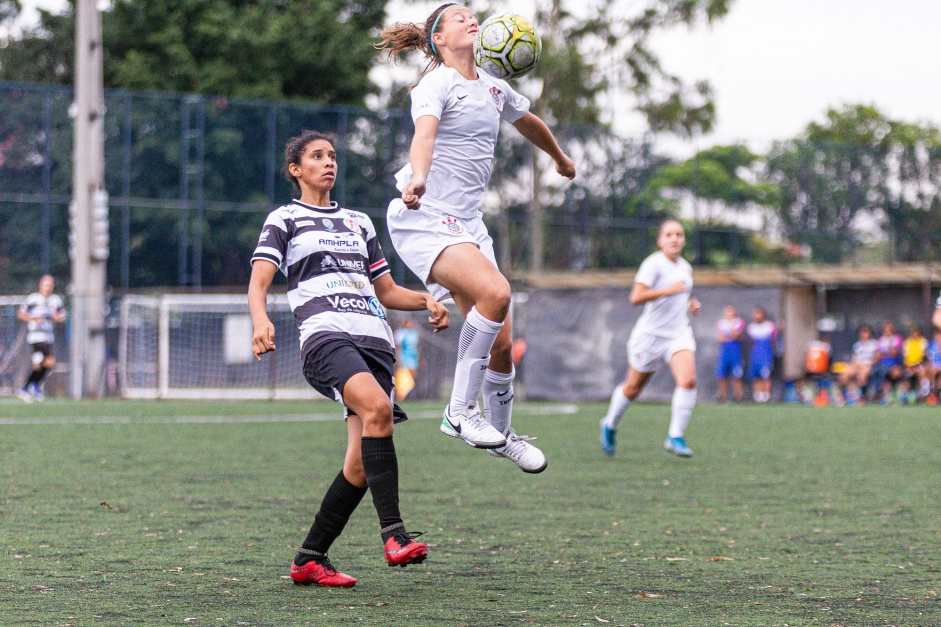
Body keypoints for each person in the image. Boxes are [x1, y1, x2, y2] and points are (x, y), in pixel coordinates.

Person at [376, 4, 575, 473]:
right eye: (459, 16)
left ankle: (502, 434)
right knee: (497, 292)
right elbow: (423, 136)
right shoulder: (436, 83)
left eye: (473, 15)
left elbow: (529, 122)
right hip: (423, 213)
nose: (472, 19)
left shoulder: (494, 87)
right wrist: (419, 177)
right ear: (439, 39)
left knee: (502, 343)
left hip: (467, 224)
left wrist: (560, 159)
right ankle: (459, 411)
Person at [248, 130, 450, 588]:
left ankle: (310, 557)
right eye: (316, 156)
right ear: (296, 169)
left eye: (333, 156)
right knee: (379, 409)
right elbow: (258, 282)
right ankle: (394, 536)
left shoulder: (360, 222)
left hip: (375, 342)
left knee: (359, 464)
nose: (328, 162)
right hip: (326, 337)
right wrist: (261, 322)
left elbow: (386, 291)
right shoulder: (285, 218)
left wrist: (426, 301)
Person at [599, 220, 701, 457]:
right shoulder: (653, 264)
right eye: (669, 234)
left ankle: (675, 436)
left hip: (678, 334)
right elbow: (636, 297)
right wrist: (668, 290)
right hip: (650, 337)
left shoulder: (685, 267)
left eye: (679, 234)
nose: (674, 238)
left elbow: (680, 295)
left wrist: (691, 304)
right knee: (632, 389)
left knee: (688, 380)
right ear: (660, 240)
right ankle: (610, 424)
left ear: (683, 239)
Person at [16, 274, 66, 402]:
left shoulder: (56, 300)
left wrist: (57, 318)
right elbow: (21, 314)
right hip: (36, 337)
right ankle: (31, 387)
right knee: (50, 361)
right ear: (40, 285)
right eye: (46, 285)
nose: (48, 288)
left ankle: (29, 387)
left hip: (48, 336)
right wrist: (33, 319)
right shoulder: (34, 299)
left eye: (50, 285)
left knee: (40, 365)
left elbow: (62, 316)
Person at [837, 325, 878, 403]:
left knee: (862, 377)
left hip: (868, 365)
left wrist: (867, 364)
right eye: (862, 332)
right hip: (857, 365)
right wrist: (855, 366)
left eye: (865, 332)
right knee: (843, 376)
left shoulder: (874, 344)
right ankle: (844, 396)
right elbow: (854, 359)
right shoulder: (857, 345)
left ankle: (862, 398)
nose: (863, 334)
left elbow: (876, 358)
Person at [746, 307, 778, 403]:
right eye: (755, 314)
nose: (756, 316)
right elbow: (751, 341)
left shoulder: (769, 326)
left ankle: (766, 395)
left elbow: (774, 340)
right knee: (755, 375)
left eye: (758, 314)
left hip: (766, 354)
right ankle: (757, 395)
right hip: (755, 354)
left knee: (766, 375)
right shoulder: (751, 328)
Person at [714, 305, 745, 402]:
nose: (729, 314)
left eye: (731, 312)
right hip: (724, 352)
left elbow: (737, 334)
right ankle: (722, 396)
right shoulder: (720, 323)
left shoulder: (739, 322)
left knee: (737, 375)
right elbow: (720, 338)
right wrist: (729, 337)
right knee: (722, 375)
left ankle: (738, 396)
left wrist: (731, 327)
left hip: (735, 352)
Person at [393, 318, 420, 400]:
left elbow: (417, 346)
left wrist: (419, 357)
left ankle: (410, 395)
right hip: (404, 356)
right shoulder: (400, 333)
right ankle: (399, 395)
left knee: (412, 376)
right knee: (402, 376)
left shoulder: (414, 333)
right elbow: (398, 347)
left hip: (413, 357)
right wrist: (398, 359)